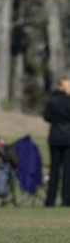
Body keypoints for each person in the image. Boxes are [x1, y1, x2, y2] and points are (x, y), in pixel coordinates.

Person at [43, 77, 70, 207]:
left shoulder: (52, 99)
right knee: (67, 170)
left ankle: (50, 200)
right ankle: (66, 200)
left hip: (54, 137)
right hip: (68, 137)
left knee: (54, 169)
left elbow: (46, 116)